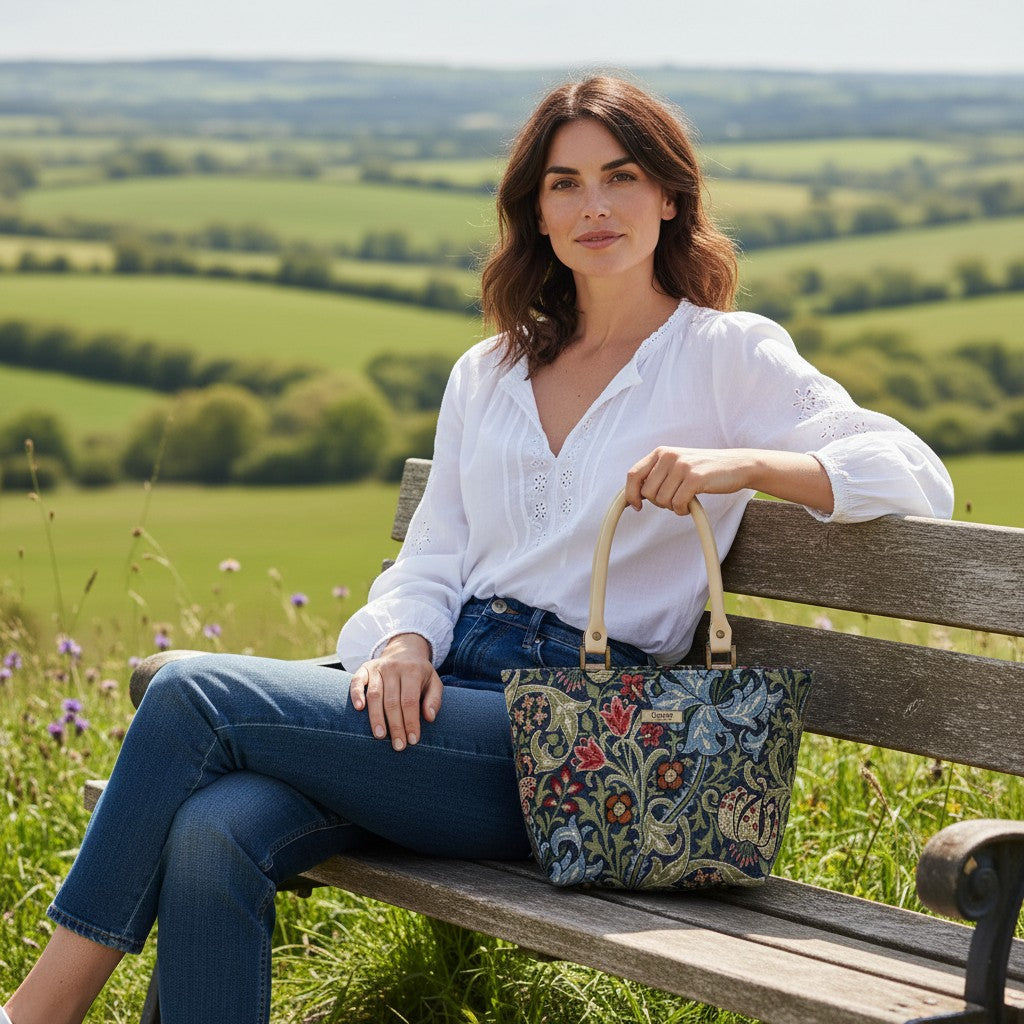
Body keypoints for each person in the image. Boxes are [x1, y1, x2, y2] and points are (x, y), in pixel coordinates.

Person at [3, 75, 953, 1024]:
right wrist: (403, 643)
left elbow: (915, 472)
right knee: (215, 830)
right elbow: (431, 556)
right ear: (534, 213)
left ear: (670, 197)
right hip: (435, 697)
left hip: (574, 740)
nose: (595, 207)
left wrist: (741, 462)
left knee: (189, 690)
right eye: (564, 184)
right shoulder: (492, 369)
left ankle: (37, 1013)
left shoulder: (726, 354)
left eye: (621, 178)